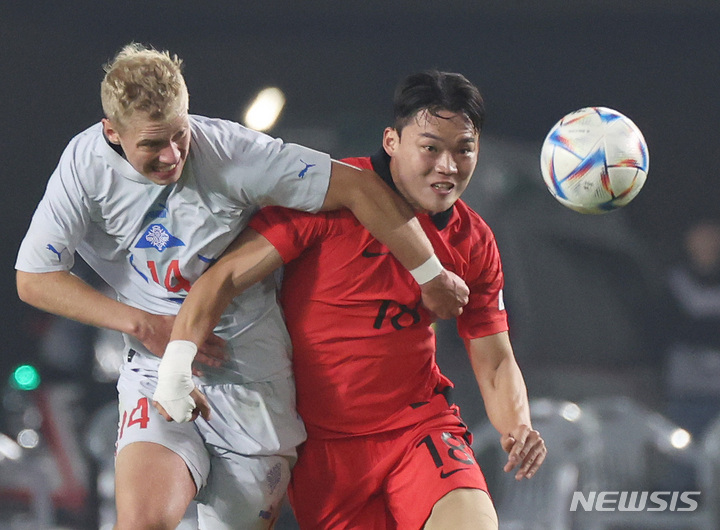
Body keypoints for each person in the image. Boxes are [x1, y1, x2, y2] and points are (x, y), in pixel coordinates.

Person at [14, 44, 469, 530]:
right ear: (112, 132)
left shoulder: (234, 152)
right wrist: (144, 324)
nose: (172, 155)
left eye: (179, 134)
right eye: (152, 144)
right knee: (143, 523)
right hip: (157, 370)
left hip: (251, 378)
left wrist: (431, 275)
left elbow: (359, 187)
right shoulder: (84, 167)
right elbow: (34, 278)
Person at [158, 70, 547, 529]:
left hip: (419, 430)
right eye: (431, 148)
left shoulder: (474, 240)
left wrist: (516, 425)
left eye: (464, 149)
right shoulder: (326, 199)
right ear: (391, 141)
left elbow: (495, 359)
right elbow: (220, 280)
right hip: (324, 451)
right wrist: (176, 364)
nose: (448, 166)